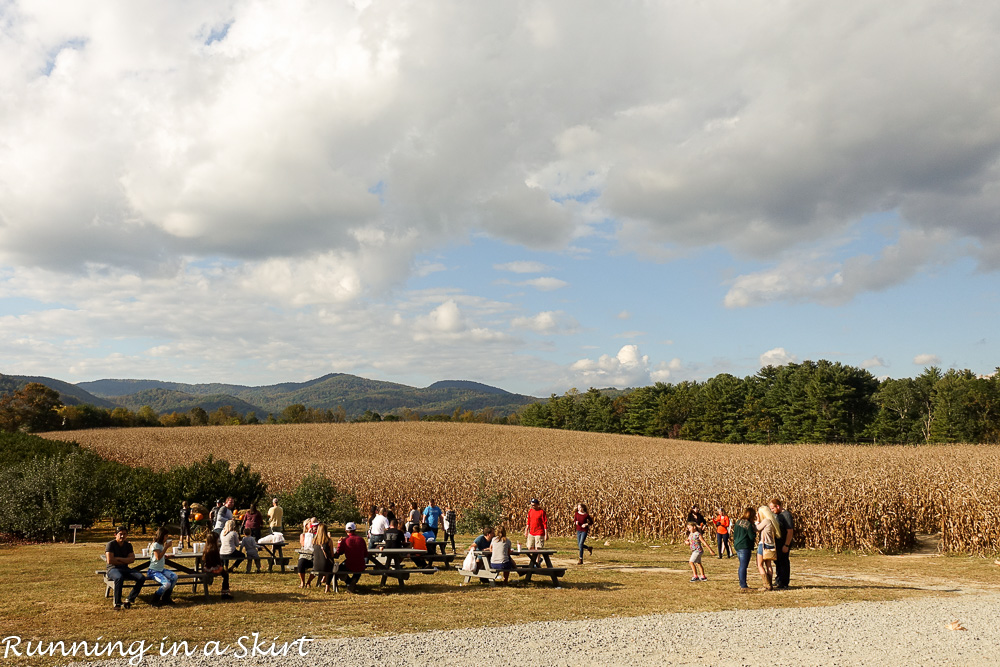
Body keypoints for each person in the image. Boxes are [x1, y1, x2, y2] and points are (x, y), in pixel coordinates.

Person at [105, 526, 145, 610]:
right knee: (119, 577)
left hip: (125, 568)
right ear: (115, 535)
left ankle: (130, 599)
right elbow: (110, 560)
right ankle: (117, 603)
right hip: (113, 569)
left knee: (141, 577)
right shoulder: (111, 544)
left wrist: (119, 559)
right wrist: (125, 560)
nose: (122, 536)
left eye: (124, 534)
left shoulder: (128, 545)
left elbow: (132, 559)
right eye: (120, 534)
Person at [147, 526, 178, 606]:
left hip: (161, 569)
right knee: (166, 583)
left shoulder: (160, 545)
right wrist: (166, 547)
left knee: (174, 577)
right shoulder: (156, 545)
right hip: (153, 571)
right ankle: (155, 599)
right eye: (166, 536)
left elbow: (160, 555)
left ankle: (166, 597)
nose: (167, 538)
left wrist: (166, 556)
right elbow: (157, 557)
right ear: (162, 536)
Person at [334, 522, 369, 593]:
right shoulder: (361, 540)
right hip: (361, 564)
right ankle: (353, 582)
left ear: (346, 530)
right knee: (359, 567)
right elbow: (365, 554)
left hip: (349, 564)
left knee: (339, 569)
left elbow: (338, 553)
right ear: (355, 530)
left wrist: (339, 544)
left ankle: (349, 582)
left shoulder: (345, 540)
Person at [770, 498, 795, 590]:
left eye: (773, 508)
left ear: (778, 506)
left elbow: (790, 531)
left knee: (784, 562)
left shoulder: (786, 515)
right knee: (778, 561)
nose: (772, 510)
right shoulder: (777, 515)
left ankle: (784, 582)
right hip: (777, 543)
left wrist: (786, 545)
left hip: (784, 543)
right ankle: (778, 579)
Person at [755, 505, 781, 591]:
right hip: (770, 545)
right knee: (768, 565)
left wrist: (757, 521)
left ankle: (766, 584)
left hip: (763, 545)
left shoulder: (766, 521)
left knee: (759, 565)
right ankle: (770, 583)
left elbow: (757, 528)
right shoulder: (772, 522)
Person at [731, 507, 757, 592]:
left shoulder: (738, 522)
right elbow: (751, 536)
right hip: (744, 546)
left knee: (741, 565)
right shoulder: (748, 524)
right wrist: (754, 531)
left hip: (737, 544)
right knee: (743, 566)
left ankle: (742, 584)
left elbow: (734, 534)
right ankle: (743, 585)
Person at [202, 532, 233, 600]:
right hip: (214, 568)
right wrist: (220, 565)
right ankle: (225, 593)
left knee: (224, 573)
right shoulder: (214, 550)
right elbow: (217, 561)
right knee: (225, 575)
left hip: (207, 568)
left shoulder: (205, 549)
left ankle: (210, 580)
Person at [312, 523, 336, 592]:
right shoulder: (328, 541)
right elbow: (332, 554)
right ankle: (327, 587)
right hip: (325, 566)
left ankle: (322, 581)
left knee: (328, 565)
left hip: (316, 565)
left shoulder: (314, 540)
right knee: (331, 566)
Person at [297, 518, 318, 588]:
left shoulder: (318, 535)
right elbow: (304, 545)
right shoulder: (303, 535)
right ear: (306, 526)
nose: (313, 526)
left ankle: (309, 581)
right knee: (301, 563)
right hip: (305, 555)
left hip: (315, 555)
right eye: (311, 524)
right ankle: (302, 582)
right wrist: (309, 535)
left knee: (318, 564)